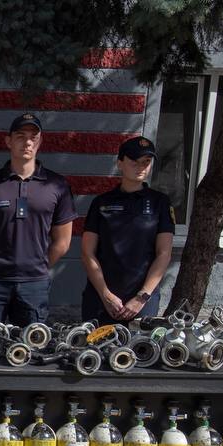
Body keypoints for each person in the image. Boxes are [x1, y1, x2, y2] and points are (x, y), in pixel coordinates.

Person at [0, 113, 77, 326]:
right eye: (20, 136)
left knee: (29, 350)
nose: (28, 142)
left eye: (33, 137)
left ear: (40, 141)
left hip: (35, 285)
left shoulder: (57, 186)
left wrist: (37, 267)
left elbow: (62, 242)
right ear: (8, 141)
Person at [80, 136, 176, 324]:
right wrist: (106, 295)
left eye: (146, 162)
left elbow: (164, 254)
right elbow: (87, 252)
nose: (141, 167)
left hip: (141, 301)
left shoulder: (160, 203)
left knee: (139, 352)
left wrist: (142, 297)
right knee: (95, 352)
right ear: (120, 163)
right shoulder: (102, 202)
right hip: (101, 298)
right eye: (134, 161)